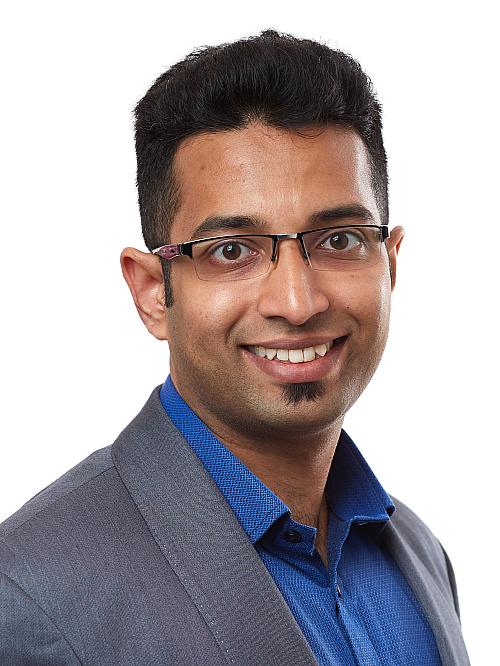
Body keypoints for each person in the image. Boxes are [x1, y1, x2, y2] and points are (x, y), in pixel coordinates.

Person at [0, 29, 470, 665]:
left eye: (338, 240)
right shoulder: (30, 593)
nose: (297, 303)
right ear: (152, 292)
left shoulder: (420, 557)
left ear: (389, 265)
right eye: (230, 251)